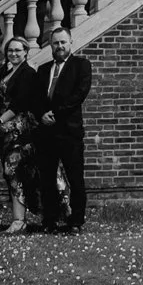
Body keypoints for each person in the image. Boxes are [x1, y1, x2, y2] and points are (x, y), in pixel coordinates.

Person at [38, 27, 93, 232]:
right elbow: (36, 98)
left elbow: (79, 94)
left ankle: (76, 221)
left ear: (71, 42)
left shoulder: (81, 66)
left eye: (63, 42)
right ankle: (49, 221)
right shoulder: (43, 70)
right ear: (50, 45)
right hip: (46, 133)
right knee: (47, 179)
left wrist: (55, 114)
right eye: (55, 43)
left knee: (75, 178)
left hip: (69, 132)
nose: (59, 46)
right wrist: (42, 114)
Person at [0, 36, 41, 234]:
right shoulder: (4, 71)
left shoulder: (28, 73)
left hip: (20, 131)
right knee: (9, 170)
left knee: (14, 170)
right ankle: (19, 218)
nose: (14, 54)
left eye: (18, 50)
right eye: (10, 50)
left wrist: (1, 121)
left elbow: (20, 102)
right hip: (3, 131)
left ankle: (20, 220)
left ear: (26, 52)